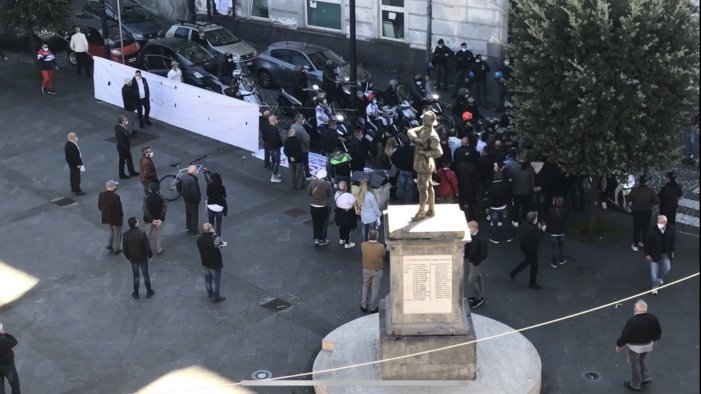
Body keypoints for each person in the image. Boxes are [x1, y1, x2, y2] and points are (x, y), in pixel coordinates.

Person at [616, 299, 662, 391]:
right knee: (642, 360)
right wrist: (654, 341)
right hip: (648, 345)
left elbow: (625, 336)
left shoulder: (632, 322)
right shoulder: (653, 318)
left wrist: (619, 344)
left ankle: (635, 384)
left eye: (634, 307)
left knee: (635, 364)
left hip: (635, 348)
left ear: (636, 309)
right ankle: (646, 377)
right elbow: (658, 332)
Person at [407, 111, 443, 221]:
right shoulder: (424, 128)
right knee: (430, 185)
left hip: (424, 164)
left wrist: (426, 153)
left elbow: (439, 152)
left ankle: (421, 212)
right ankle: (431, 209)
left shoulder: (433, 136)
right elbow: (410, 131)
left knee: (422, 188)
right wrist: (415, 139)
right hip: (422, 163)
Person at [509, 211, 545, 289]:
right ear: (533, 220)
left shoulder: (525, 224)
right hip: (531, 249)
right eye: (536, 218)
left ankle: (514, 273)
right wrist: (542, 230)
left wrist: (537, 227)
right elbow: (538, 237)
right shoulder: (531, 229)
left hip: (525, 247)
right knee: (534, 265)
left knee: (528, 261)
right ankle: (532, 283)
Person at [122, 217, 154, 299]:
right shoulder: (142, 233)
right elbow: (147, 247)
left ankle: (136, 293)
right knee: (145, 274)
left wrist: (128, 257)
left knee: (136, 276)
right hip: (142, 257)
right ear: (136, 224)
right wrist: (150, 256)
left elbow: (125, 249)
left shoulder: (126, 235)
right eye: (137, 221)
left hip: (133, 259)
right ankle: (149, 291)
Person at [644, 215, 675, 295]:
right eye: (658, 222)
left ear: (665, 223)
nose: (659, 224)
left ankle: (660, 277)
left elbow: (672, 242)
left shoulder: (671, 230)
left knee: (667, 268)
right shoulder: (651, 230)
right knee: (653, 273)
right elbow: (647, 243)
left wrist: (672, 251)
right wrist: (647, 254)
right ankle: (655, 287)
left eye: (661, 222)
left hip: (665, 254)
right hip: (654, 254)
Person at [196, 223, 227, 303]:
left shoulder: (199, 240)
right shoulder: (214, 239)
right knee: (216, 281)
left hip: (205, 262)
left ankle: (210, 293)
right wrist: (214, 234)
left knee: (208, 279)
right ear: (210, 230)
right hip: (215, 263)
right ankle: (216, 296)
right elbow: (220, 242)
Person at [628, 175, 659, 252]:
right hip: (646, 212)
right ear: (647, 182)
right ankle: (644, 243)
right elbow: (657, 201)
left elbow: (628, 199)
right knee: (645, 228)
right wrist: (650, 203)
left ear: (639, 182)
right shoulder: (650, 191)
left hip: (636, 212)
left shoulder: (635, 190)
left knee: (636, 229)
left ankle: (635, 245)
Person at [360, 229, 385, 313]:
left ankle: (364, 305)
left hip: (366, 269)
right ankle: (373, 307)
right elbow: (383, 254)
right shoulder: (381, 247)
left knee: (365, 286)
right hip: (377, 270)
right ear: (377, 237)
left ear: (368, 236)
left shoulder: (363, 245)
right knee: (375, 289)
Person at [465, 221, 488, 309]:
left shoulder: (481, 238)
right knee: (477, 277)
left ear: (474, 228)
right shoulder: (472, 235)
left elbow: (484, 253)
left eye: (469, 227)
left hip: (476, 262)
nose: (468, 229)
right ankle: (478, 296)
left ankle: (478, 298)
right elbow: (469, 247)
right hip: (473, 261)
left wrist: (475, 261)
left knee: (471, 280)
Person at [98, 180, 124, 253]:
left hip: (107, 217)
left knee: (111, 231)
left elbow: (100, 207)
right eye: (115, 186)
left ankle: (110, 244)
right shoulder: (115, 196)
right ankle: (116, 248)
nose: (116, 187)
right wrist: (121, 215)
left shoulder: (101, 194)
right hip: (116, 218)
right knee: (118, 232)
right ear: (112, 187)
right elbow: (119, 208)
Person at [308, 169, 332, 246]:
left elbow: (309, 193)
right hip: (323, 207)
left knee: (315, 223)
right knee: (323, 223)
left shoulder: (312, 183)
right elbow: (329, 195)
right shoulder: (327, 185)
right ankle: (322, 239)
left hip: (313, 206)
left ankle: (316, 239)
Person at [486, 171, 512, 243]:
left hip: (494, 209)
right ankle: (509, 237)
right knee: (506, 222)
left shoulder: (492, 188)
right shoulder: (506, 185)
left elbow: (490, 201)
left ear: (495, 177)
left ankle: (494, 238)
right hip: (504, 207)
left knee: (495, 223)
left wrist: (487, 208)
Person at [510, 153, 535, 225]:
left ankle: (515, 221)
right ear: (526, 159)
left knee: (516, 207)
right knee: (526, 208)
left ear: (518, 158)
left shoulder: (513, 167)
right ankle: (525, 220)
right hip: (527, 192)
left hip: (515, 191)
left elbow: (510, 178)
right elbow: (532, 183)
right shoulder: (530, 168)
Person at [143, 183, 166, 255]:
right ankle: (159, 249)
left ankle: (144, 248)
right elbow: (164, 209)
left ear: (150, 189)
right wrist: (160, 219)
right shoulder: (161, 197)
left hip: (149, 220)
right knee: (159, 234)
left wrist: (151, 219)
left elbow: (145, 210)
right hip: (158, 219)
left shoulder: (146, 198)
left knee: (147, 234)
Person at [178, 165, 201, 236]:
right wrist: (198, 200)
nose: (196, 171)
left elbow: (178, 186)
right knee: (194, 216)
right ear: (193, 171)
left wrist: (182, 193)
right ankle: (194, 231)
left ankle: (188, 228)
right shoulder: (193, 180)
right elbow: (195, 192)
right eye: (196, 170)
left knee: (188, 214)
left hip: (186, 199)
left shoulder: (183, 177)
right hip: (193, 201)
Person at [545, 196, 568, 267]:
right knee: (562, 248)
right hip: (562, 232)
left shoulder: (550, 210)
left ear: (553, 202)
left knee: (554, 249)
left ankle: (554, 263)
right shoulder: (564, 211)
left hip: (553, 233)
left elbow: (548, 220)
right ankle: (562, 260)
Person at [334, 181, 357, 248]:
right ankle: (347, 243)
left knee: (342, 226)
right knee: (348, 228)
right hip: (348, 213)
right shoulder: (349, 196)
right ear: (346, 187)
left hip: (339, 212)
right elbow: (355, 205)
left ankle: (341, 239)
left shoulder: (336, 194)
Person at [115, 115, 139, 179]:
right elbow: (120, 141)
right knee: (123, 161)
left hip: (124, 147)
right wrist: (125, 147)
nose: (126, 121)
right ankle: (124, 174)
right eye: (125, 120)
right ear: (122, 121)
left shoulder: (121, 127)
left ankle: (131, 172)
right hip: (123, 148)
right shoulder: (120, 130)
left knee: (128, 160)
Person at [290, 114, 312, 179]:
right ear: (299, 119)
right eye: (302, 118)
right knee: (305, 162)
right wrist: (308, 145)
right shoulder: (301, 128)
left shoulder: (292, 126)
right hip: (303, 148)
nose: (302, 119)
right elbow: (306, 139)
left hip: (296, 148)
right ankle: (307, 175)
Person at [0, 323, 20, 394]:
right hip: (8, 366)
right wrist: (5, 334)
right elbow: (14, 341)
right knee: (15, 385)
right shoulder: (3, 340)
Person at [262, 114, 283, 183]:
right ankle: (274, 175)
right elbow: (276, 139)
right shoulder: (274, 129)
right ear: (274, 120)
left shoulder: (266, 127)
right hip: (275, 148)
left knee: (274, 161)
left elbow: (264, 137)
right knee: (277, 161)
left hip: (270, 147)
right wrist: (278, 146)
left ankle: (275, 173)